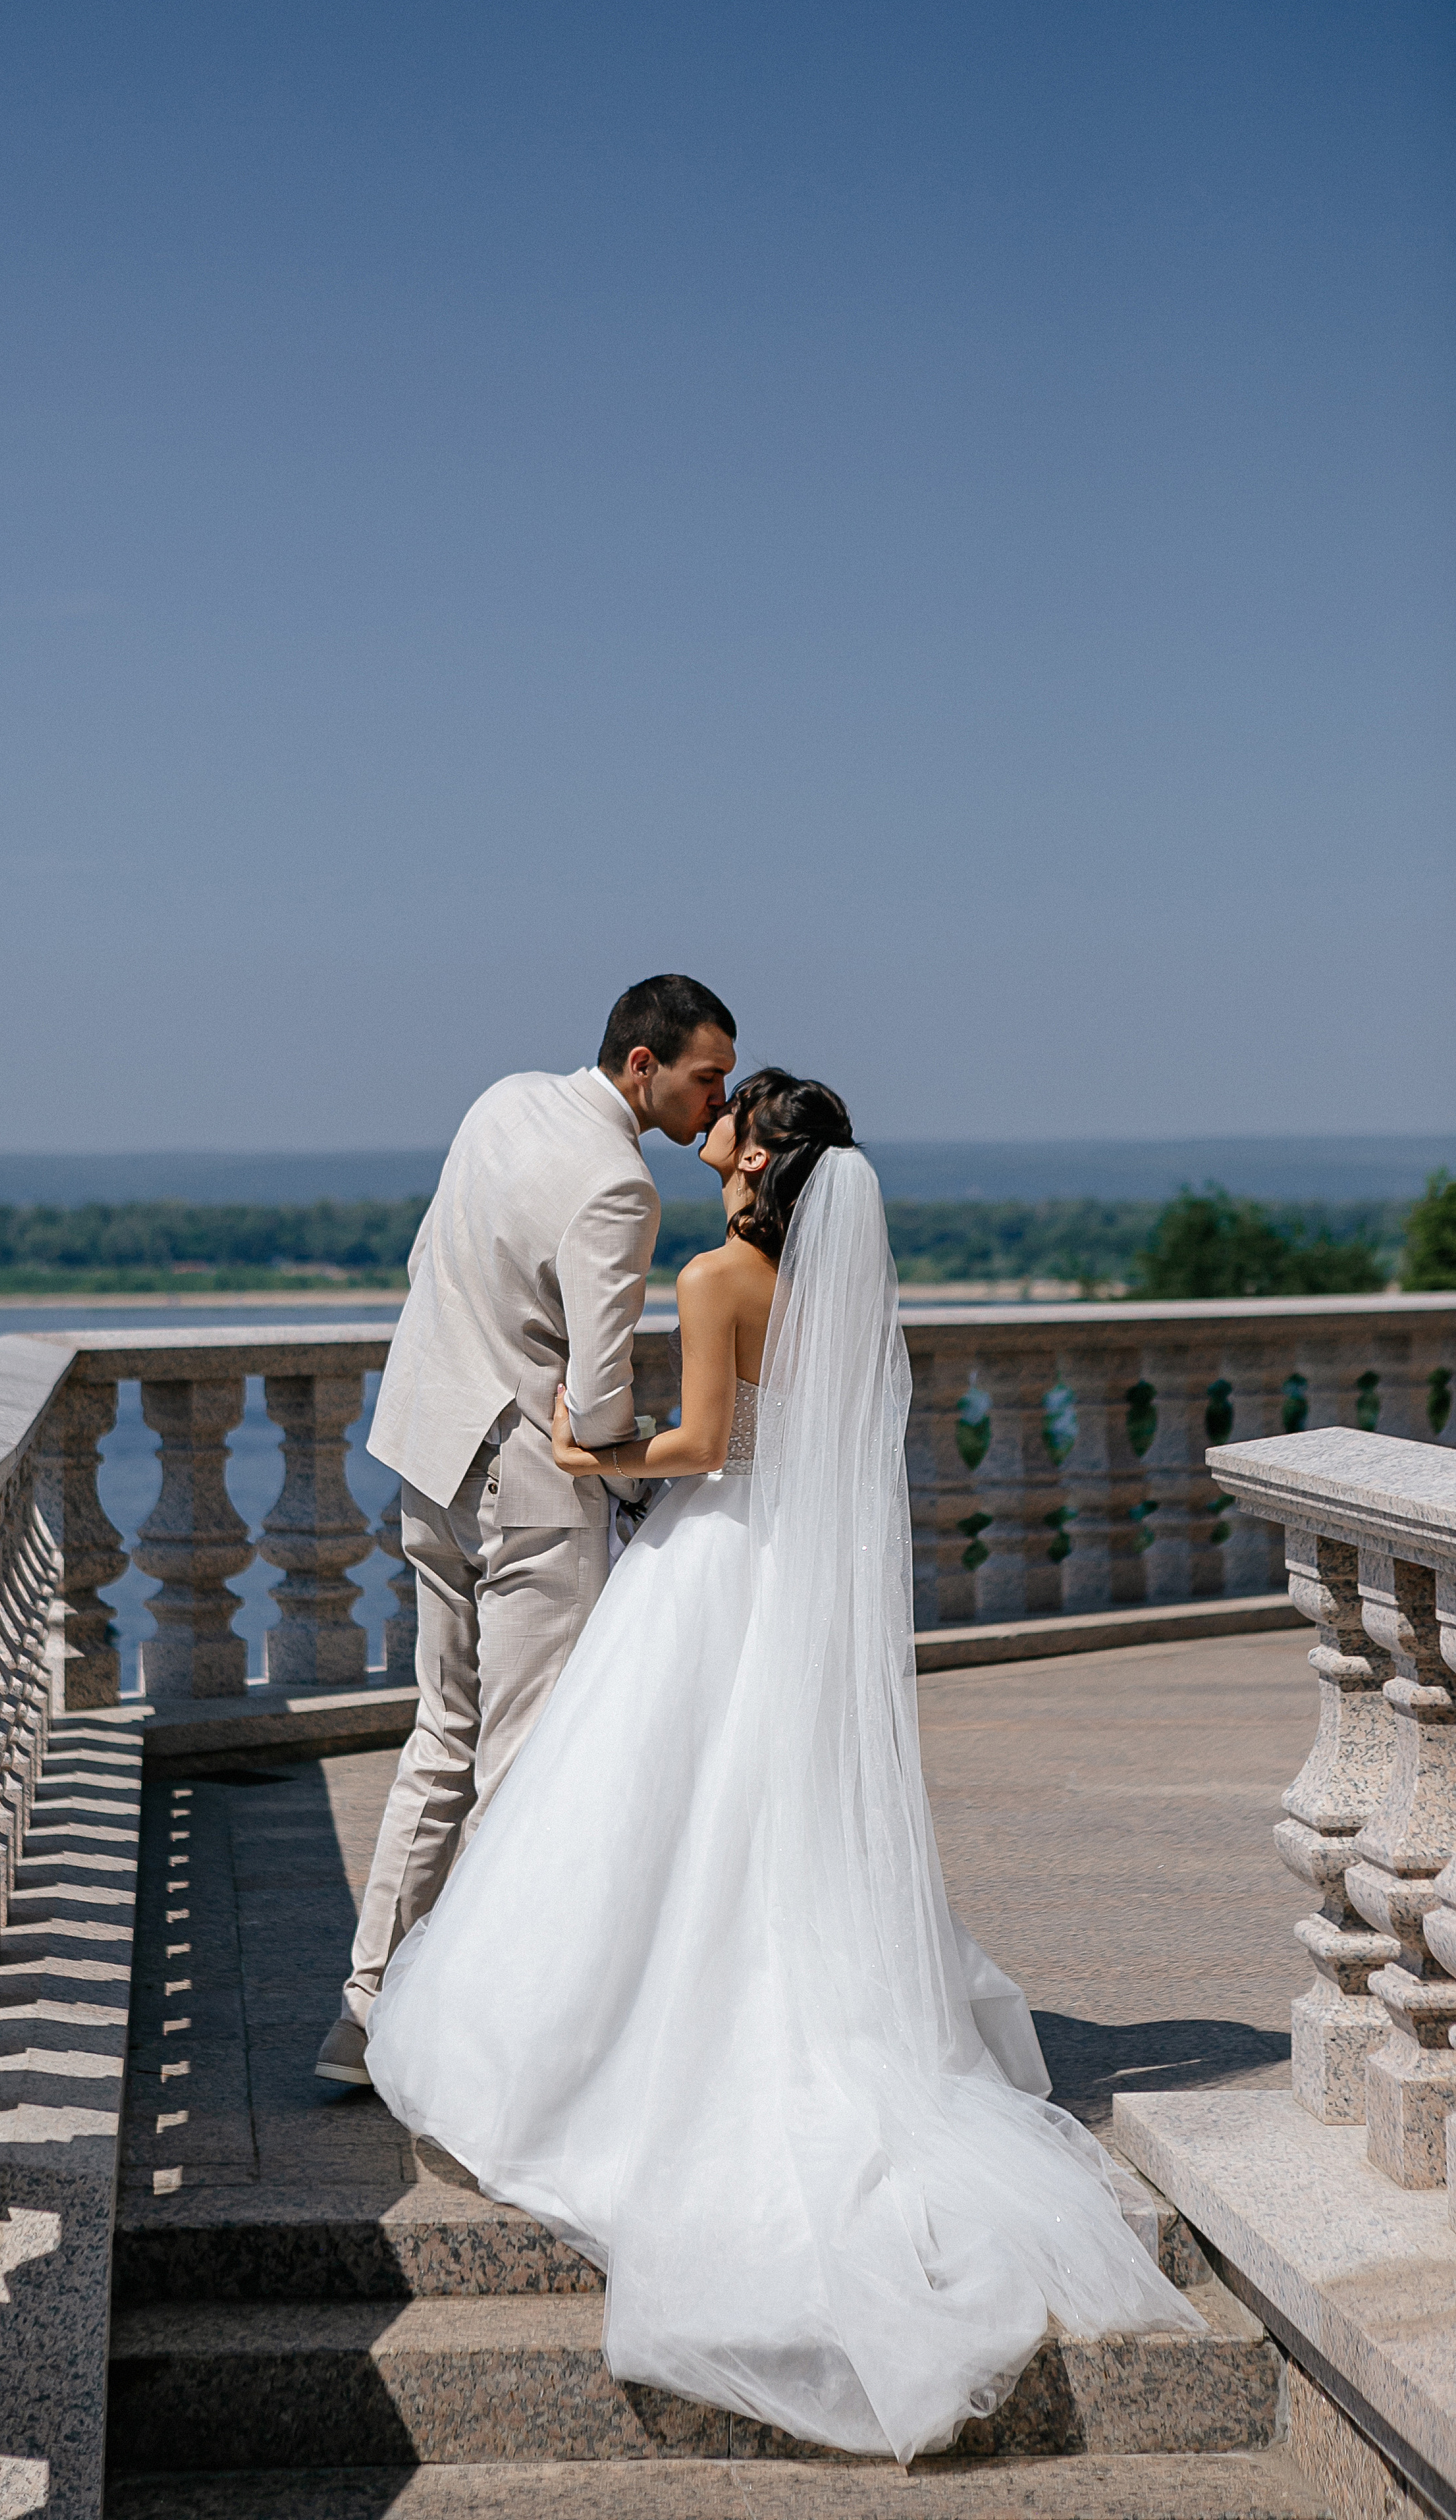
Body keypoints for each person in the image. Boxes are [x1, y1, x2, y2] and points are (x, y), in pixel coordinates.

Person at [363, 1070, 1202, 2461]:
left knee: (648, 1808)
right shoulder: (833, 1290)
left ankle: (612, 2045)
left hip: (710, 1557)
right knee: (767, 1811)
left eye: (733, 1117)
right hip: (791, 1575)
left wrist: (583, 1451)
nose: (715, 1128)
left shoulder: (713, 1280)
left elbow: (698, 1445)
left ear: (756, 1158)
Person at [312, 974, 738, 2086]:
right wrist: (628, 1456)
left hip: (427, 1451)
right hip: (530, 1489)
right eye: (707, 1077)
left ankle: (363, 2015)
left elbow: (428, 1263)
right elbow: (595, 1394)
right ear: (643, 1064)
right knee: (523, 1765)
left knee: (440, 1734)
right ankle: (483, 2053)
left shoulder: (501, 1099)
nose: (718, 1100)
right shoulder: (620, 1184)